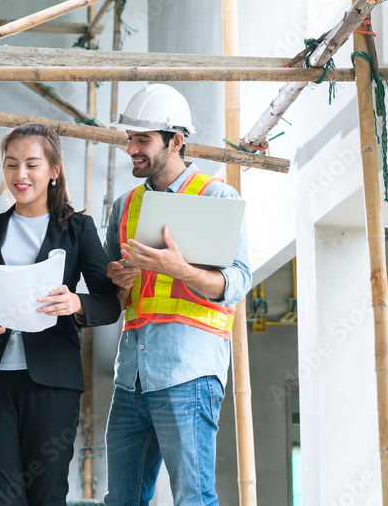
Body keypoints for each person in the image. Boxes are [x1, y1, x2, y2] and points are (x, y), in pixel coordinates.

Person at [0, 123, 120, 506]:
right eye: (11, 164)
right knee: (2, 498)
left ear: (53, 171)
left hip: (53, 383)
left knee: (47, 494)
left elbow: (110, 301)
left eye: (32, 164)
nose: (20, 175)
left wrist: (77, 303)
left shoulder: (78, 229)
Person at [102, 84, 252, 506]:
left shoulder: (216, 197)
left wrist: (180, 270)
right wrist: (117, 279)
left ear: (176, 141)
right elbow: (114, 294)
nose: (131, 147)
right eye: (129, 138)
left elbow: (237, 282)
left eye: (142, 140)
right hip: (131, 376)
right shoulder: (123, 206)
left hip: (188, 371)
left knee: (193, 498)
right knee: (122, 500)